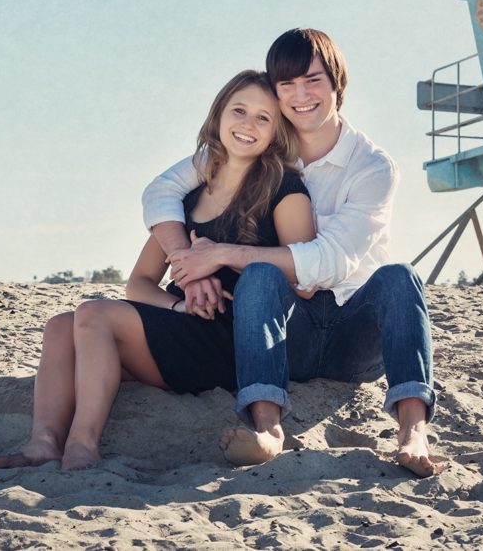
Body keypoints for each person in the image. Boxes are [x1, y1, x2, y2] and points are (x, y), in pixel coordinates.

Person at [143, 28, 444, 477]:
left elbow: (329, 260)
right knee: (262, 275)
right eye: (287, 85)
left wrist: (222, 252)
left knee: (401, 275)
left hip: (354, 335)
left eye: (313, 80)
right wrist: (188, 262)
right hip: (291, 333)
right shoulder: (256, 143)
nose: (300, 96)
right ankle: (267, 429)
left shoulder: (372, 166)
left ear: (337, 83)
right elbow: (162, 189)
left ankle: (413, 430)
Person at [0, 69, 315, 471]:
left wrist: (223, 257)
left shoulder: (284, 189)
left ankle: (82, 444)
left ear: (276, 132)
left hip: (236, 342)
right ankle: (42, 442)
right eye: (239, 110)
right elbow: (139, 283)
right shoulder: (187, 198)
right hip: (183, 329)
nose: (248, 124)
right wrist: (179, 307)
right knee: (61, 326)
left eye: (263, 118)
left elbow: (302, 277)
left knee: (92, 313)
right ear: (218, 116)